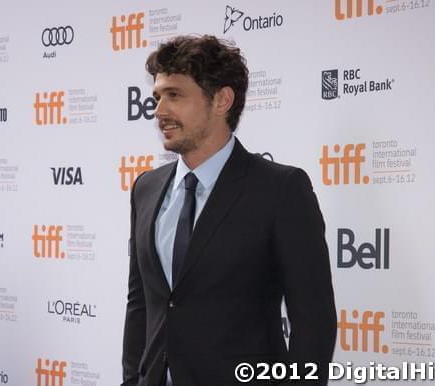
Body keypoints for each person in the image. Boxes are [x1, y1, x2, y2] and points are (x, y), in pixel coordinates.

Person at [121, 35, 336, 386]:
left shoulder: (280, 190)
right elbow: (141, 304)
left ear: (222, 100)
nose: (159, 110)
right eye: (157, 96)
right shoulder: (146, 188)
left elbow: (314, 322)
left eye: (174, 95)